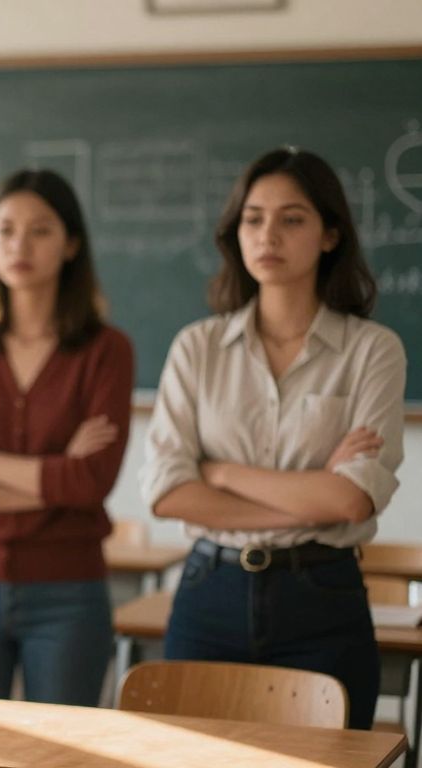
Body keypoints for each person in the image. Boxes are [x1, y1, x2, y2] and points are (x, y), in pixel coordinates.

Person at [142, 147, 405, 730]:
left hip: (322, 597)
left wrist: (221, 472)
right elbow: (168, 493)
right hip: (210, 593)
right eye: (253, 218)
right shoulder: (197, 347)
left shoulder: (372, 351)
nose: (268, 235)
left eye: (292, 218)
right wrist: (310, 494)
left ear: (330, 234)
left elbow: (350, 501)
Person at [0, 169, 133, 706]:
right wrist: (56, 475)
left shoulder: (106, 350)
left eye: (40, 230)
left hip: (69, 591)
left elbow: (91, 483)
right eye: (6, 229)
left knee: (63, 746)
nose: (20, 245)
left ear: (71, 244)